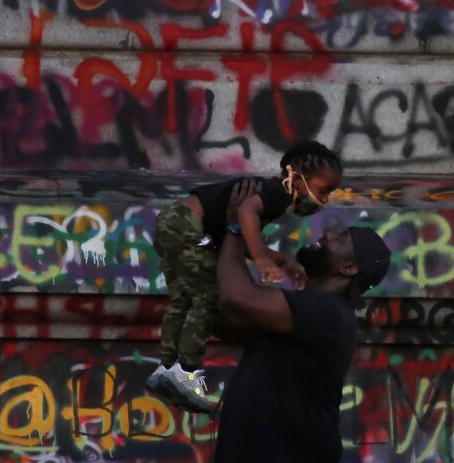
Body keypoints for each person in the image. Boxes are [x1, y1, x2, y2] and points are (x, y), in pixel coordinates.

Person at [146, 141, 343, 413]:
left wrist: (282, 261)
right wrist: (261, 260)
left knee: (184, 299)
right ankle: (184, 372)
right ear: (298, 177)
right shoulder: (277, 194)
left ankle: (166, 369)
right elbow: (245, 213)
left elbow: (245, 238)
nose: (323, 200)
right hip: (191, 228)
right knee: (206, 297)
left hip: (174, 222)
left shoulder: (270, 191)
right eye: (323, 190)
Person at [212, 180, 392, 463]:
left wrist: (236, 226)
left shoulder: (329, 312)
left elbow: (236, 296)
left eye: (342, 238)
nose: (329, 235)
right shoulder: (302, 311)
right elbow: (223, 319)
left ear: (348, 268)